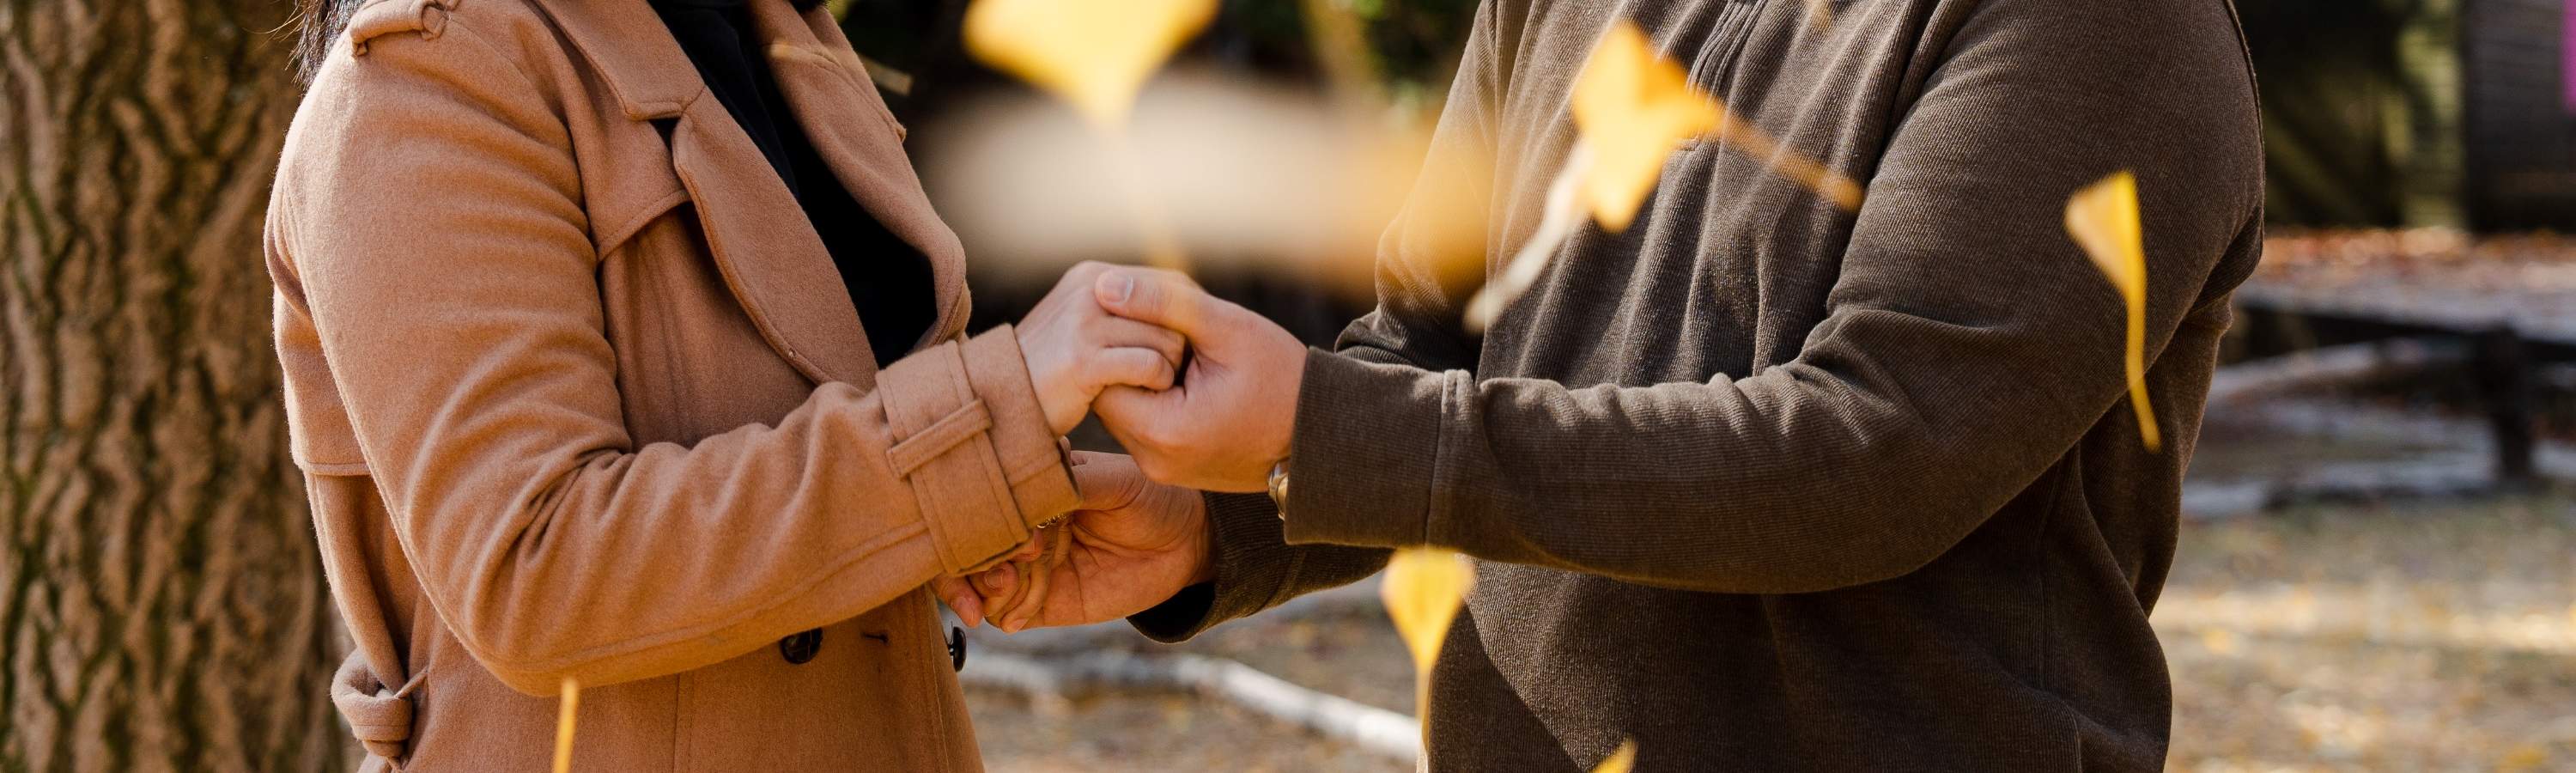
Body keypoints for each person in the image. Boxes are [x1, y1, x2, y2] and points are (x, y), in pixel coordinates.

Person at [946, 0, 2265, 770]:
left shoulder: (2112, 27)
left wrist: (1317, 430)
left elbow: (1877, 453)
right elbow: (1434, 350)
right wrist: (1220, 523)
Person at [267, 0, 1182, 769]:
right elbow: (534, 571)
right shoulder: (423, 76)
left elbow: (836, 418)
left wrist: (985, 502)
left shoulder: (772, 27)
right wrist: (991, 414)